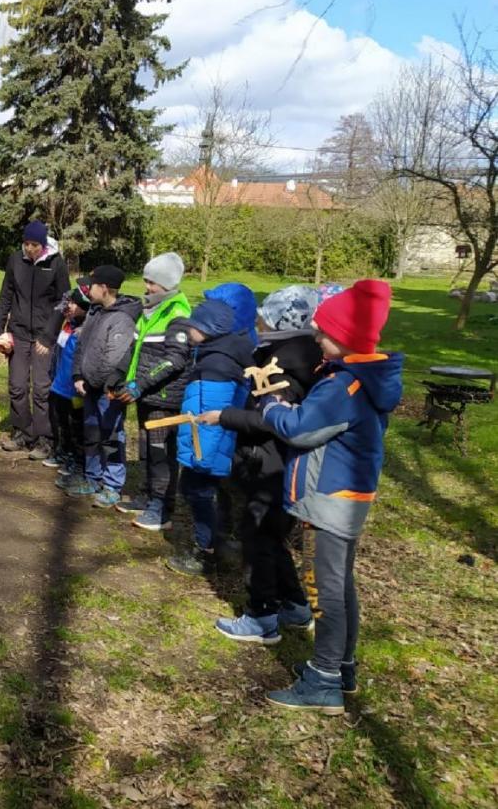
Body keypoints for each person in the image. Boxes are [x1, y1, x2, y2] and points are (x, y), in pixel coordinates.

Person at [254, 281, 401, 714]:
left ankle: (323, 680)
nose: (316, 339)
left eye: (323, 333)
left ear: (346, 338)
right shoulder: (364, 378)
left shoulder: (343, 386)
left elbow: (302, 428)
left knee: (326, 591)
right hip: (350, 495)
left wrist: (272, 407)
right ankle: (343, 667)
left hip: (329, 498)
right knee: (342, 587)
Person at [210, 286, 326, 645]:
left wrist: (225, 416)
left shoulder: (286, 365)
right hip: (270, 462)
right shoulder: (290, 353)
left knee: (257, 534)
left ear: (282, 319)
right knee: (271, 535)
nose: (258, 320)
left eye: (264, 315)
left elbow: (270, 419)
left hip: (271, 464)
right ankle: (294, 603)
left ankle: (261, 616)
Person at [164, 295, 254, 577]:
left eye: (192, 326)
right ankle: (214, 543)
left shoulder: (217, 365)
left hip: (208, 448)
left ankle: (207, 550)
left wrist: (202, 457)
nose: (188, 330)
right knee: (196, 492)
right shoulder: (216, 352)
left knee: (198, 492)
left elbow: (213, 417)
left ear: (205, 329)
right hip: (206, 446)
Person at [111, 253, 193, 530]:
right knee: (146, 448)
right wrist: (123, 379)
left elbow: (175, 359)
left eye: (152, 283)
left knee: (160, 452)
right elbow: (135, 350)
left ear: (167, 284)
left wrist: (141, 384)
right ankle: (147, 496)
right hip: (144, 392)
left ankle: (162, 508)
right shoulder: (151, 310)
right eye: (146, 281)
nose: (147, 287)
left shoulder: (178, 315)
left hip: (164, 396)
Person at [0, 220, 71, 459]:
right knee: (17, 386)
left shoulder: (56, 264)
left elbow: (64, 301)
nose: (29, 249)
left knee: (41, 389)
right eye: (26, 244)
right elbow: (6, 295)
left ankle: (45, 438)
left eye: (34, 244)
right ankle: (22, 433)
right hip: (18, 332)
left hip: (43, 337)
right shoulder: (15, 260)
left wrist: (48, 336)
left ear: (43, 244)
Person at [65, 266, 139, 504]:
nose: (88, 290)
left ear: (104, 288)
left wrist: (98, 383)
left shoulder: (122, 318)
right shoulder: (94, 313)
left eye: (93, 285)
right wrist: (78, 375)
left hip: (108, 390)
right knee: (92, 434)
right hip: (89, 387)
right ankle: (92, 476)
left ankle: (112, 484)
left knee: (111, 436)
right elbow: (81, 346)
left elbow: (114, 357)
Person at [45, 286, 88, 474]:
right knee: (61, 420)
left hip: (74, 388)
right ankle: (63, 451)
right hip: (59, 384)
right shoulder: (69, 324)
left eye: (71, 303)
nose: (67, 307)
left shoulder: (84, 329)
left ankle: (76, 458)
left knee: (75, 424)